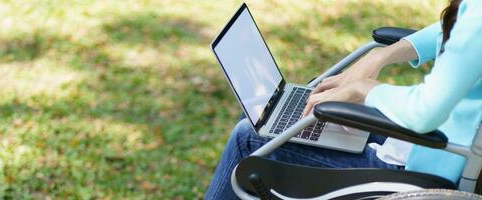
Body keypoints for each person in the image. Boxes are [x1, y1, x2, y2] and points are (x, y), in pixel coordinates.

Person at [205, 0, 482, 199]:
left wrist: (364, 89)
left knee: (248, 137)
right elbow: (456, 34)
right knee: (264, 117)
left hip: (424, 165)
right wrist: (381, 55)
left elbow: (425, 112)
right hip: (427, 143)